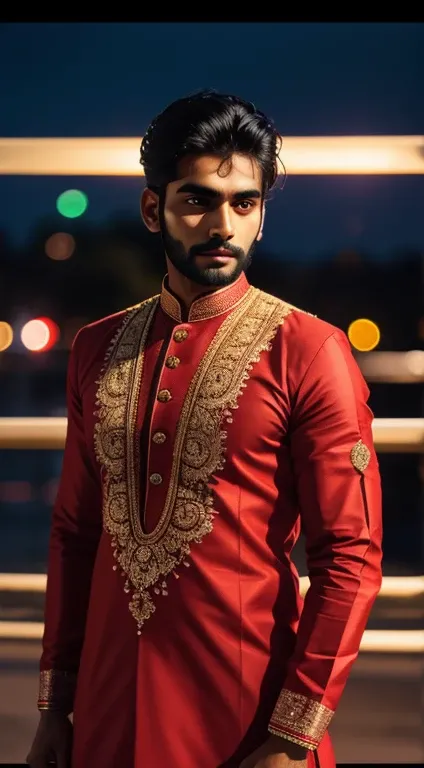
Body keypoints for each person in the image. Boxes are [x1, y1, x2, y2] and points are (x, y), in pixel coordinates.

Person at [27, 90, 383, 768]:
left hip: (246, 726)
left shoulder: (310, 350)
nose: (223, 223)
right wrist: (54, 709)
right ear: (153, 208)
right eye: (198, 200)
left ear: (261, 215)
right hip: (106, 721)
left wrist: (291, 737)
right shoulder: (97, 349)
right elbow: (74, 536)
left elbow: (351, 559)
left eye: (243, 203)